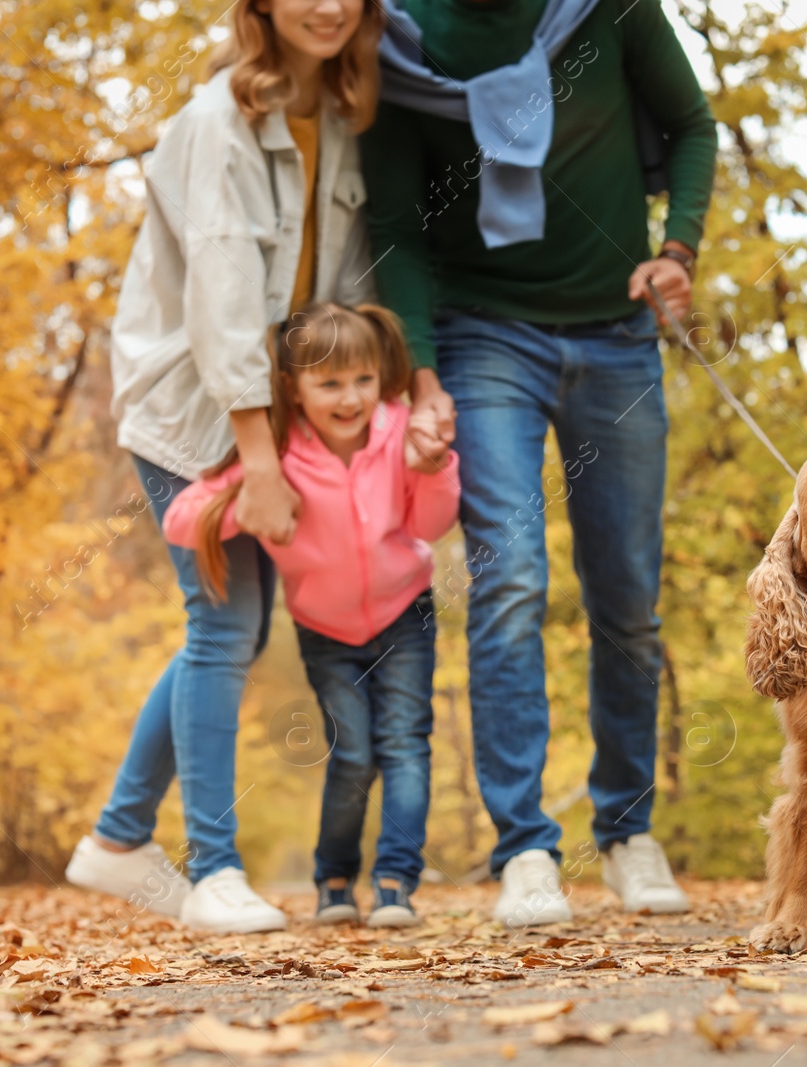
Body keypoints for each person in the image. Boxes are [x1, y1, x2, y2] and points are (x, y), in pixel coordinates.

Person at [68, 0, 452, 934]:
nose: (326, 6)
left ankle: (118, 839)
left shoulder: (342, 117)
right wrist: (259, 458)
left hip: (276, 418)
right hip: (195, 410)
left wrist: (403, 403)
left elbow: (346, 291)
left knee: (227, 629)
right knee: (223, 626)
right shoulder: (217, 123)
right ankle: (213, 869)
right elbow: (225, 298)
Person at [361, 0, 718, 925]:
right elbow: (396, 225)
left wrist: (677, 249)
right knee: (510, 579)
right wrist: (425, 377)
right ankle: (523, 846)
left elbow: (690, 124)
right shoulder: (402, 40)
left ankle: (629, 830)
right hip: (484, 339)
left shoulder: (610, 9)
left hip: (617, 334)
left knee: (628, 599)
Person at [161, 303, 458, 928]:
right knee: (352, 753)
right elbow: (180, 520)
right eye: (328, 383)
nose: (350, 398)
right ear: (293, 388)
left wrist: (433, 469)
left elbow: (432, 524)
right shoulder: (275, 455)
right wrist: (253, 500)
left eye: (362, 380)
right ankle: (334, 879)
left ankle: (397, 883)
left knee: (405, 744)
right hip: (326, 631)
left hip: (406, 613)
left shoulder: (400, 431)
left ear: (382, 377)